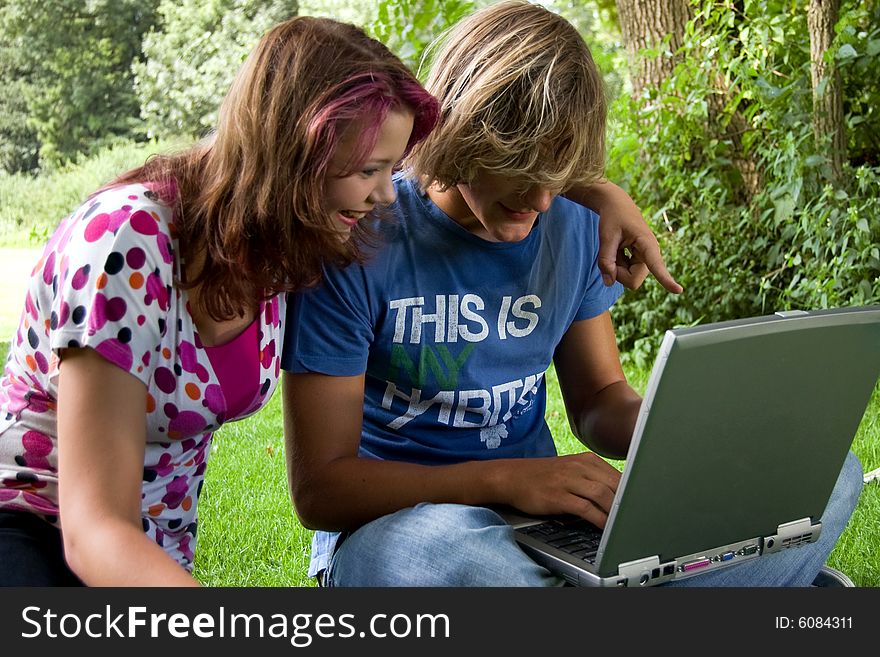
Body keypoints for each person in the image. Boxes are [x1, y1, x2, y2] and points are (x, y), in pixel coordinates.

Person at [280, 0, 863, 587]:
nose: (538, 202)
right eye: (520, 172)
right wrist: (504, 480)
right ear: (463, 136)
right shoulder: (357, 235)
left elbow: (598, 399)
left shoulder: (575, 221)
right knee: (467, 569)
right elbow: (321, 489)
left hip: (548, 525)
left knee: (827, 474)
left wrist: (689, 437)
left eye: (557, 179)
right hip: (409, 527)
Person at [0, 15, 442, 586]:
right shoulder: (126, 240)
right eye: (369, 170)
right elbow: (92, 529)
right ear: (293, 153)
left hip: (150, 552)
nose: (385, 195)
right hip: (34, 528)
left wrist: (588, 195)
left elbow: (463, 187)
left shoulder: (288, 245)